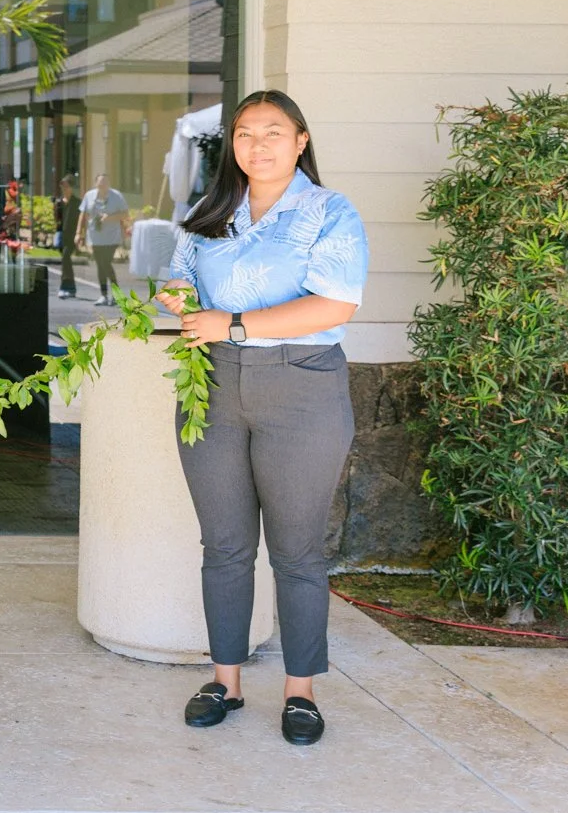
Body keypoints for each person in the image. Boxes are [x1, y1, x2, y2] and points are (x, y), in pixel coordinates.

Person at [155, 90, 369, 747]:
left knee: (297, 550)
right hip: (212, 384)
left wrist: (237, 322)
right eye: (245, 133)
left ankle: (300, 690)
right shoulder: (209, 212)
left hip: (300, 386)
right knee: (223, 544)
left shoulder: (330, 212)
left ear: (301, 140)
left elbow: (336, 304)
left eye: (272, 132)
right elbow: (176, 281)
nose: (257, 145)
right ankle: (225, 679)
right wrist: (178, 297)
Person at [79, 173, 129, 304]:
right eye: (100, 183)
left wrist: (109, 218)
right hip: (95, 237)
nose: (103, 186)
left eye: (105, 183)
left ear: (109, 184)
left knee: (105, 263)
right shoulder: (89, 196)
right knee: (100, 265)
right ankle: (104, 295)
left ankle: (117, 295)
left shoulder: (116, 196)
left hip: (111, 237)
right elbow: (83, 213)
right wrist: (79, 233)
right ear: (96, 184)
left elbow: (125, 214)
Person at [52, 174, 82, 298]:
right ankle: (71, 288)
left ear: (71, 187)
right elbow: (56, 220)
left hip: (72, 235)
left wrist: (80, 235)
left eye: (66, 186)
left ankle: (65, 287)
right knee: (66, 261)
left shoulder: (77, 202)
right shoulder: (59, 202)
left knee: (65, 259)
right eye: (62, 186)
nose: (64, 188)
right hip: (62, 235)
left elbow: (81, 220)